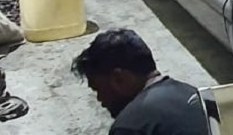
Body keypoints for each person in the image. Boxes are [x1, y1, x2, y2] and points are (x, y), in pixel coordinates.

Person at [72, 29, 208, 135]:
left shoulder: (131, 126)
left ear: (118, 78)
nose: (100, 99)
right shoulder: (195, 95)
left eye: (98, 89)